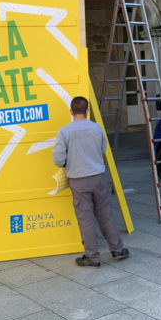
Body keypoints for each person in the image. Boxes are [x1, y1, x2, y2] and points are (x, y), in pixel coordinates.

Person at [52, 96, 129, 267]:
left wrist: (69, 161)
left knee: (85, 218)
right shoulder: (97, 129)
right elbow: (102, 149)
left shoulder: (64, 132)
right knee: (105, 214)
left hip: (78, 180)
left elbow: (58, 159)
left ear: (71, 111)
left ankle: (92, 257)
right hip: (99, 177)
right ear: (87, 111)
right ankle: (117, 249)